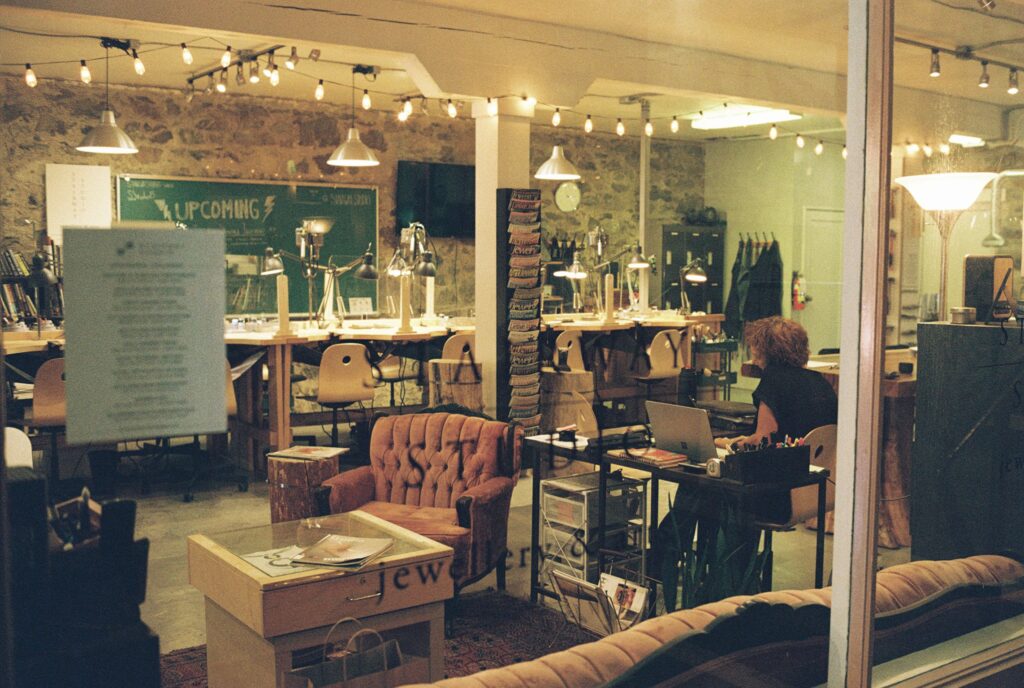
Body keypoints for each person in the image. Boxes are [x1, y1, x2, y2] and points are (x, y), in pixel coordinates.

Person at [716, 316, 837, 450]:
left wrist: (731, 444)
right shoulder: (820, 380)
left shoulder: (774, 379)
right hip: (822, 460)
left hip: (787, 460)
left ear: (764, 351)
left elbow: (764, 440)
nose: (754, 361)